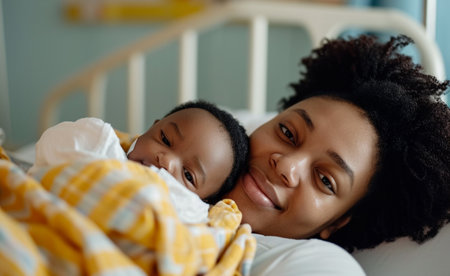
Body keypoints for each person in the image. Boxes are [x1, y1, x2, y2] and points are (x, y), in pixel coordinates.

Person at [222, 35, 449, 275]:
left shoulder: (320, 266)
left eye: (324, 180)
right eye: (287, 133)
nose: (286, 166)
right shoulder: (184, 152)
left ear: (337, 221)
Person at [29, 100, 249, 222]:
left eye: (189, 175)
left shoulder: (189, 214)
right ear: (150, 128)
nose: (167, 161)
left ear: (202, 201)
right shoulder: (100, 146)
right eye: (165, 139)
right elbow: (53, 146)